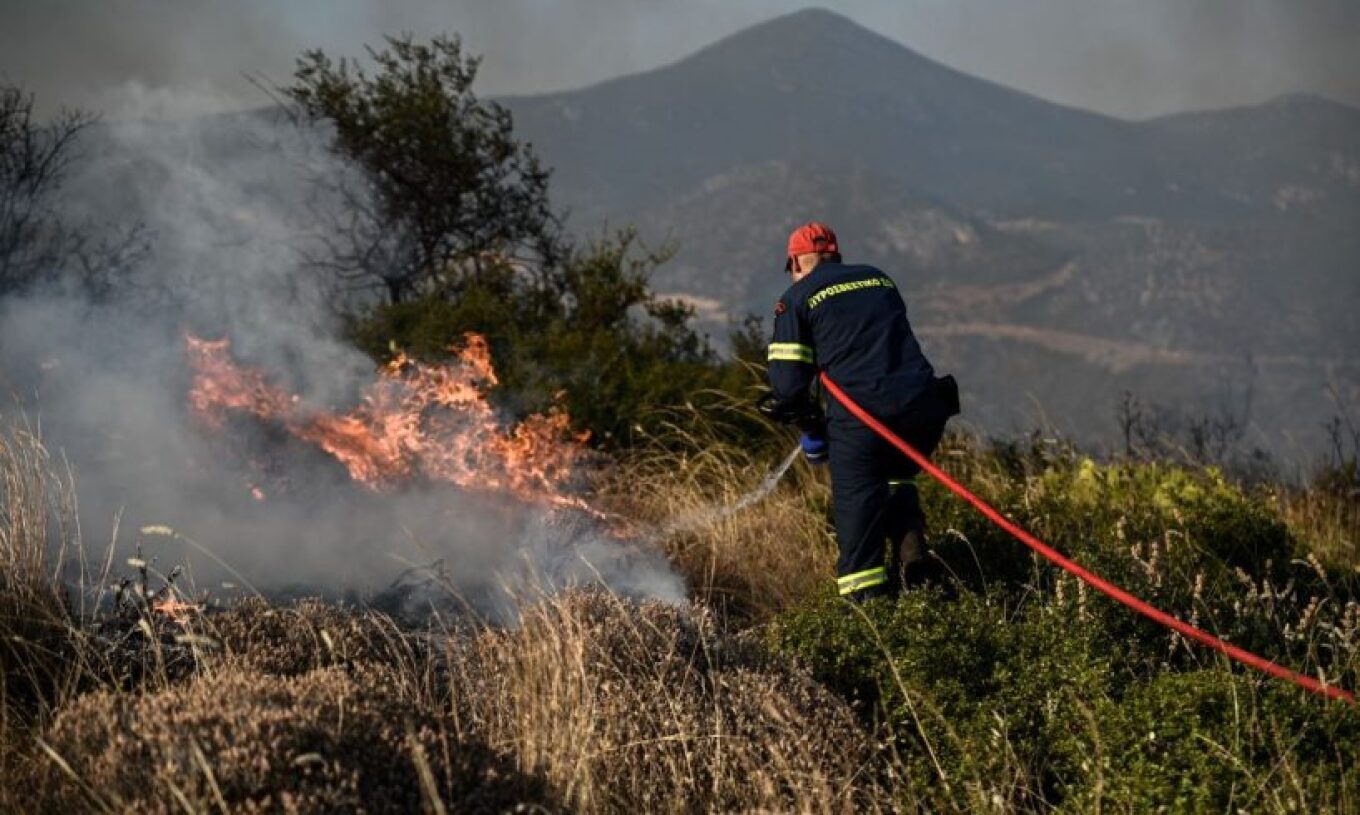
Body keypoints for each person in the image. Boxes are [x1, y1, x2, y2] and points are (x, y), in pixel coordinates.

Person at [762, 222, 959, 601]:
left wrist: (813, 430)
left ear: (797, 262)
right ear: (836, 256)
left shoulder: (797, 297)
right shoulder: (878, 279)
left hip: (866, 419)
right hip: (923, 410)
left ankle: (870, 625)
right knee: (897, 476)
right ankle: (917, 572)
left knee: (859, 522)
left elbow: (786, 387)